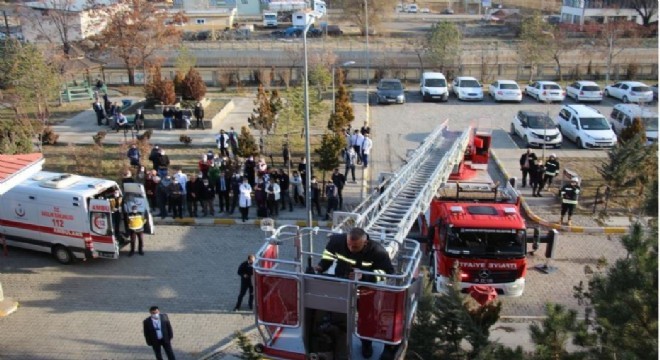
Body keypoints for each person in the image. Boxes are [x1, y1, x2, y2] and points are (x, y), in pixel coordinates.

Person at [314, 228, 395, 359]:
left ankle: (366, 344)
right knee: (335, 313)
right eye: (349, 244)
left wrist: (365, 276)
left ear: (365, 242)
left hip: (365, 290)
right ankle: (335, 340)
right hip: (342, 283)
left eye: (355, 246)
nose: (351, 248)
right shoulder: (337, 241)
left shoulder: (377, 251)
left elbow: (388, 273)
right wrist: (321, 266)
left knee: (367, 318)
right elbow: (328, 256)